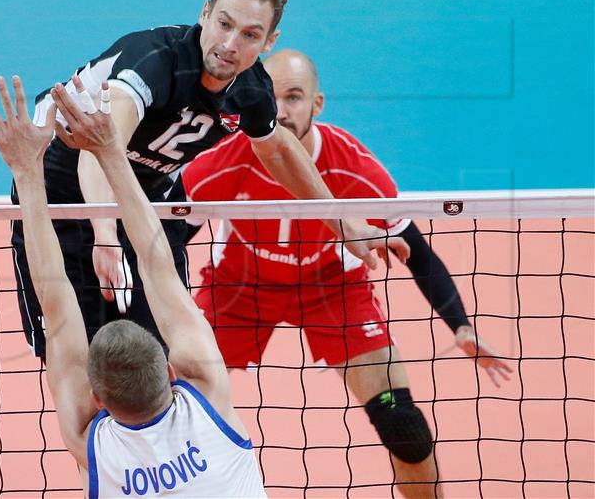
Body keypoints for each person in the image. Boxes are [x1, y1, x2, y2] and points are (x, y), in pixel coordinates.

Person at [3, 0, 408, 360]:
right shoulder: (156, 63)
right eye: (224, 24)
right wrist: (105, 234)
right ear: (204, 14)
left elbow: (278, 148)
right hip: (60, 197)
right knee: (75, 358)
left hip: (142, 205)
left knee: (167, 354)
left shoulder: (251, 89)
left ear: (269, 41)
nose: (231, 44)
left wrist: (343, 224)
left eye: (250, 34)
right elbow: (101, 149)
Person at [180, 49, 513, 498]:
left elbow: (418, 254)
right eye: (270, 97)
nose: (281, 110)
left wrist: (461, 325)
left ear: (317, 103)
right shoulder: (223, 159)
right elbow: (165, 237)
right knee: (163, 400)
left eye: (294, 97)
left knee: (403, 423)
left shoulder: (353, 168)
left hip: (331, 288)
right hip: (239, 288)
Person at [0, 74, 267, 497]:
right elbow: (158, 263)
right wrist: (109, 151)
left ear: (98, 400)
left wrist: (28, 173)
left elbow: (56, 310)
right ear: (168, 371)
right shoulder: (209, 402)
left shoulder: (93, 449)